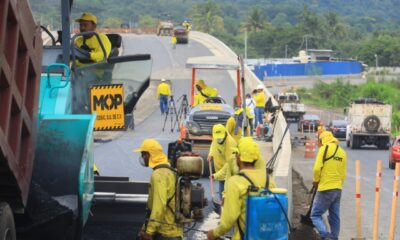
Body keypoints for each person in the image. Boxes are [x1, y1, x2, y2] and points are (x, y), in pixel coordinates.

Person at [207, 137, 275, 240]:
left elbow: (227, 222)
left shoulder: (235, 183)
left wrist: (214, 233)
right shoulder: (269, 180)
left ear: (238, 157)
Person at [134, 139, 183, 240]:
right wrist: (145, 228)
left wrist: (149, 232)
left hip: (165, 232)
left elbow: (158, 207)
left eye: (144, 154)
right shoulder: (169, 170)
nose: (142, 158)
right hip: (175, 230)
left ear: (150, 154)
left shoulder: (158, 175)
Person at [311, 131, 347, 240]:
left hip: (326, 187)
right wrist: (338, 184)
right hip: (338, 188)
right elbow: (343, 174)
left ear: (322, 140)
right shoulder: (342, 152)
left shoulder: (324, 149)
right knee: (334, 216)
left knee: (315, 215)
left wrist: (316, 180)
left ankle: (325, 235)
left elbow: (317, 169)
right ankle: (334, 237)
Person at [208, 124, 237, 199]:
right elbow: (213, 144)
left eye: (220, 138)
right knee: (221, 193)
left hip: (227, 174)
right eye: (217, 138)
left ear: (225, 134)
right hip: (219, 169)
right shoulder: (217, 136)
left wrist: (216, 175)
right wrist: (211, 154)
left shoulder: (230, 144)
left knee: (226, 195)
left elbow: (229, 165)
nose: (218, 139)